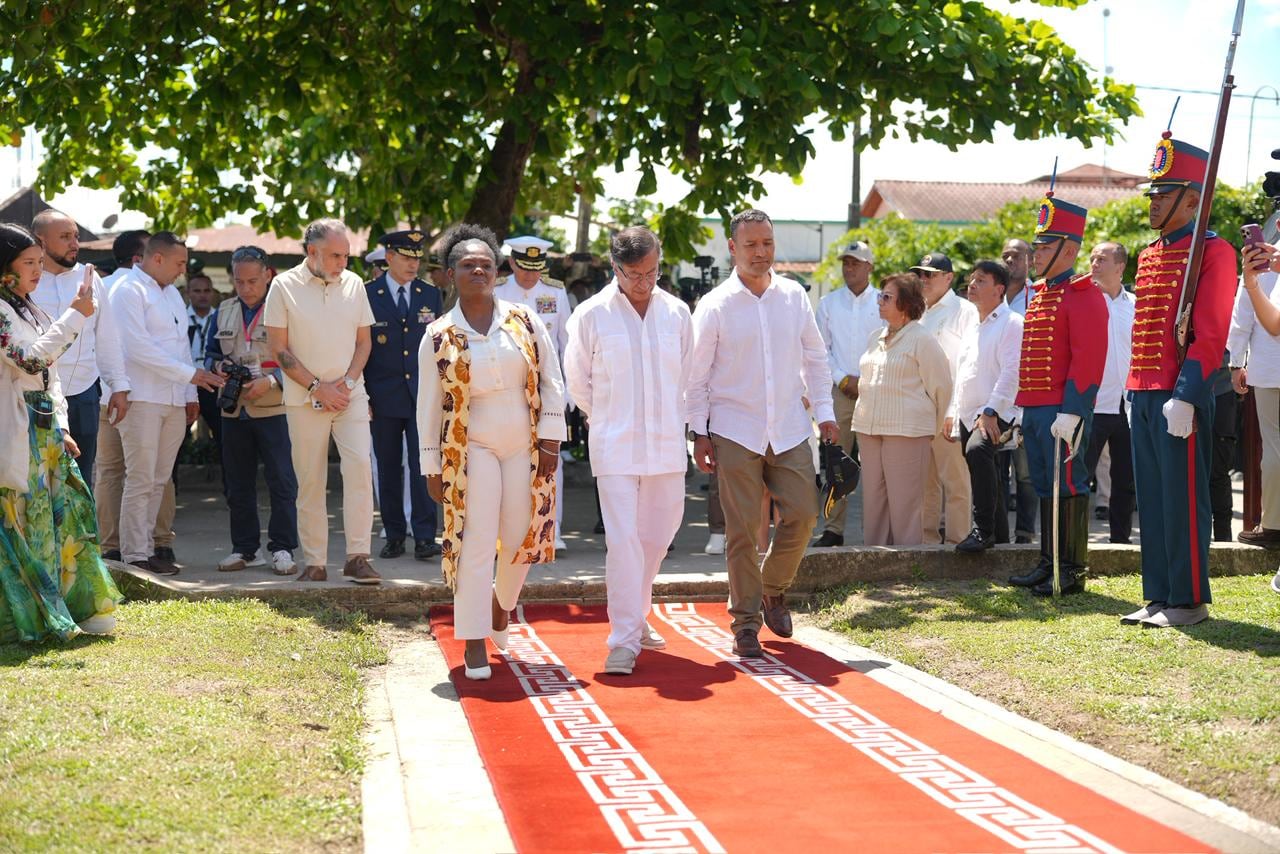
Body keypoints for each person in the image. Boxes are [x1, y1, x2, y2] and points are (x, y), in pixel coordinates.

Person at [687, 209, 838, 659]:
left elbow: (815, 358)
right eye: (751, 244)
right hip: (734, 429)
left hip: (790, 427)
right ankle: (745, 624)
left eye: (767, 243)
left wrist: (825, 412)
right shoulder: (714, 305)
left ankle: (773, 588)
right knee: (741, 531)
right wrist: (699, 432)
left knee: (805, 515)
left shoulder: (793, 296)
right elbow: (696, 377)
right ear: (732, 248)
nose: (761, 252)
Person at [417, 223, 565, 680]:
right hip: (470, 446)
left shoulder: (523, 319)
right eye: (466, 265)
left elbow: (551, 378)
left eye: (485, 264)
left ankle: (503, 604)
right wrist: (430, 464)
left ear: (497, 270)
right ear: (450, 274)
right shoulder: (439, 335)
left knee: (524, 533)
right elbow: (427, 404)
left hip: (525, 439)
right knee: (477, 539)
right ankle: (475, 638)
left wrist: (552, 438)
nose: (477, 270)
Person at [1122, 134, 1239, 627]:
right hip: (1145, 391)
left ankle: (1188, 599)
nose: (1153, 203)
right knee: (1153, 496)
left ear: (1192, 199)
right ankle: (1160, 593)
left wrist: (1187, 395)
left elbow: (1210, 332)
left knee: (1184, 499)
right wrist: (1134, 388)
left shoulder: (1214, 251)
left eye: (1163, 194)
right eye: (1152, 194)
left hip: (1179, 395)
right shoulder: (1150, 254)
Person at [564, 226, 691, 676]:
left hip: (666, 444)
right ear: (615, 268)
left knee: (657, 536)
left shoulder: (676, 312)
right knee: (622, 542)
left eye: (653, 271)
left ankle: (638, 615)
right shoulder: (591, 315)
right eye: (635, 274)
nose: (645, 282)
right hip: (614, 445)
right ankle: (623, 639)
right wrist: (609, 418)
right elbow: (578, 381)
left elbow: (687, 375)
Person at [0, 223, 124, 642]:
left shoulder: (27, 308)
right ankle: (29, 617)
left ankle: (71, 608)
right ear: (5, 268)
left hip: (43, 432)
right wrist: (75, 315)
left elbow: (50, 377)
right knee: (24, 525)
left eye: (39, 262)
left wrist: (61, 425)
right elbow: (30, 362)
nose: (38, 271)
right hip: (15, 432)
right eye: (29, 263)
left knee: (60, 521)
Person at [265, 218, 379, 583]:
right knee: (310, 480)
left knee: (360, 468)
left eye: (345, 255)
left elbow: (364, 343)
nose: (342, 263)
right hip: (304, 399)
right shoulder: (283, 286)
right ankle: (315, 562)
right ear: (312, 252)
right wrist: (318, 387)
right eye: (334, 256)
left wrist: (345, 384)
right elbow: (279, 349)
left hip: (350, 395)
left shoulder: (354, 284)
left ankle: (358, 556)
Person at [1007, 190, 1107, 597]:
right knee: (1044, 486)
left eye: (1045, 246)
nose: (1036, 254)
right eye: (1037, 246)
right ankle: (1048, 563)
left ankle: (1071, 570)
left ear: (1069, 250)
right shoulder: (1042, 293)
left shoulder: (1083, 294)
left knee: (1068, 485)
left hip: (1062, 410)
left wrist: (1074, 410)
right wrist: (1022, 410)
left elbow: (1088, 359)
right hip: (1035, 409)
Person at [111, 232, 225, 574]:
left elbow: (180, 348)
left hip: (174, 398)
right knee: (141, 478)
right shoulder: (127, 290)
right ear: (156, 258)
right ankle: (134, 555)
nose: (182, 270)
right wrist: (190, 378)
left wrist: (190, 394)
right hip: (142, 396)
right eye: (178, 263)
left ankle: (148, 548)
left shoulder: (172, 295)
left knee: (160, 480)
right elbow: (138, 348)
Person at [206, 246, 298, 574]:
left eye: (252, 281)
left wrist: (272, 381)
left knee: (282, 480)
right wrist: (218, 367)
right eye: (239, 281)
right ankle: (245, 548)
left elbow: (300, 358)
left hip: (275, 407)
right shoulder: (224, 309)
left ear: (268, 275)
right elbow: (208, 353)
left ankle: (283, 548)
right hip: (234, 409)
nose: (246, 288)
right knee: (237, 483)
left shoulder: (285, 308)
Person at [30, 210, 131, 490]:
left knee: (81, 481)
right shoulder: (25, 280)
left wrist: (119, 386)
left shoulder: (90, 278)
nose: (74, 243)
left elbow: (107, 336)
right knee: (38, 482)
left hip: (83, 393)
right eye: (64, 237)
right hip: (35, 396)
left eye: (75, 236)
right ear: (41, 240)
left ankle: (81, 536)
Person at [852, 273, 952, 546]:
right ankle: (875, 561)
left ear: (906, 303)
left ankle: (908, 568)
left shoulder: (923, 339)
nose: (880, 302)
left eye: (887, 297)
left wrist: (931, 430)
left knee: (905, 505)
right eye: (880, 296)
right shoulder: (876, 337)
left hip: (907, 433)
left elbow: (942, 387)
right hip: (869, 429)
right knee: (873, 500)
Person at [364, 229, 443, 562]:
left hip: (421, 395)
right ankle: (394, 535)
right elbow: (360, 347)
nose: (413, 264)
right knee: (387, 467)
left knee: (424, 464)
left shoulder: (430, 293)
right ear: (390, 257)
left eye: (417, 258)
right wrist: (363, 393)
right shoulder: (368, 294)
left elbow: (440, 346)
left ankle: (425, 536)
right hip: (382, 395)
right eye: (407, 258)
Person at [494, 235, 571, 551]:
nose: (530, 275)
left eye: (536, 268)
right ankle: (505, 535)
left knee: (551, 461)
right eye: (524, 267)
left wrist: (570, 394)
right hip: (505, 389)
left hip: (546, 390)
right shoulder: (497, 291)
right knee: (504, 459)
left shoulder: (555, 292)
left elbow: (568, 344)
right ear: (512, 262)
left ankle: (551, 530)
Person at [812, 239, 882, 547]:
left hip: (876, 391)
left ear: (869, 267)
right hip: (839, 392)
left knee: (875, 465)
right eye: (845, 262)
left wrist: (864, 379)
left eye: (855, 262)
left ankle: (876, 531)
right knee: (836, 462)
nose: (848, 267)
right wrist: (842, 379)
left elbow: (887, 346)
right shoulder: (828, 303)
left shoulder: (883, 301)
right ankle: (833, 529)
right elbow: (819, 350)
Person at [950, 261, 1023, 552]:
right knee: (986, 470)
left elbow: (1012, 372)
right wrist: (954, 414)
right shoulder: (972, 325)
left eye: (981, 281)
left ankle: (982, 531)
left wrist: (991, 411)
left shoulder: (1012, 322)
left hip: (996, 412)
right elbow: (964, 373)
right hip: (968, 415)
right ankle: (1001, 542)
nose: (972, 285)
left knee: (978, 452)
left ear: (999, 289)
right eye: (971, 280)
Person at [914, 251, 978, 545]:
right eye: (921, 274)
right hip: (918, 405)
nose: (924, 279)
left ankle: (957, 541)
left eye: (931, 274)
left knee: (955, 480)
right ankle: (926, 543)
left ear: (949, 278)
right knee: (924, 481)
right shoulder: (916, 310)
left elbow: (967, 363)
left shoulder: (965, 310)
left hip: (950, 404)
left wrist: (955, 408)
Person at [1084, 241, 1137, 544]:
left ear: (1120, 267)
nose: (1093, 263)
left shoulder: (1136, 305)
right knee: (1082, 475)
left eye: (1101, 259)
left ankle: (1121, 540)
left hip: (1128, 403)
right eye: (1092, 258)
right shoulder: (1084, 302)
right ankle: (1075, 543)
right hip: (1094, 403)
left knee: (1125, 479)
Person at [1229, 245, 1280, 549]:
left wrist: (1236, 361)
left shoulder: (1259, 264)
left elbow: (1243, 315)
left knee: (1273, 448)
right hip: (1267, 367)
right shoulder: (1262, 263)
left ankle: (1273, 524)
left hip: (1269, 367)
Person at [1000, 237, 1039, 543]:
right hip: (997, 399)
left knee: (1026, 474)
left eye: (1016, 255)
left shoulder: (1040, 297)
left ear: (1030, 260)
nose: (1010, 261)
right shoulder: (990, 298)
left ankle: (1025, 534)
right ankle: (998, 534)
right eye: (1005, 256)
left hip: (1029, 397)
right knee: (996, 471)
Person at [186, 271, 221, 444]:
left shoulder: (221, 318)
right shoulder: (179, 319)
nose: (202, 295)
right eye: (197, 291)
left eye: (207, 291)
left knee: (222, 435)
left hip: (212, 382)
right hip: (186, 381)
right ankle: (172, 473)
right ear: (188, 293)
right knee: (176, 438)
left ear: (213, 293)